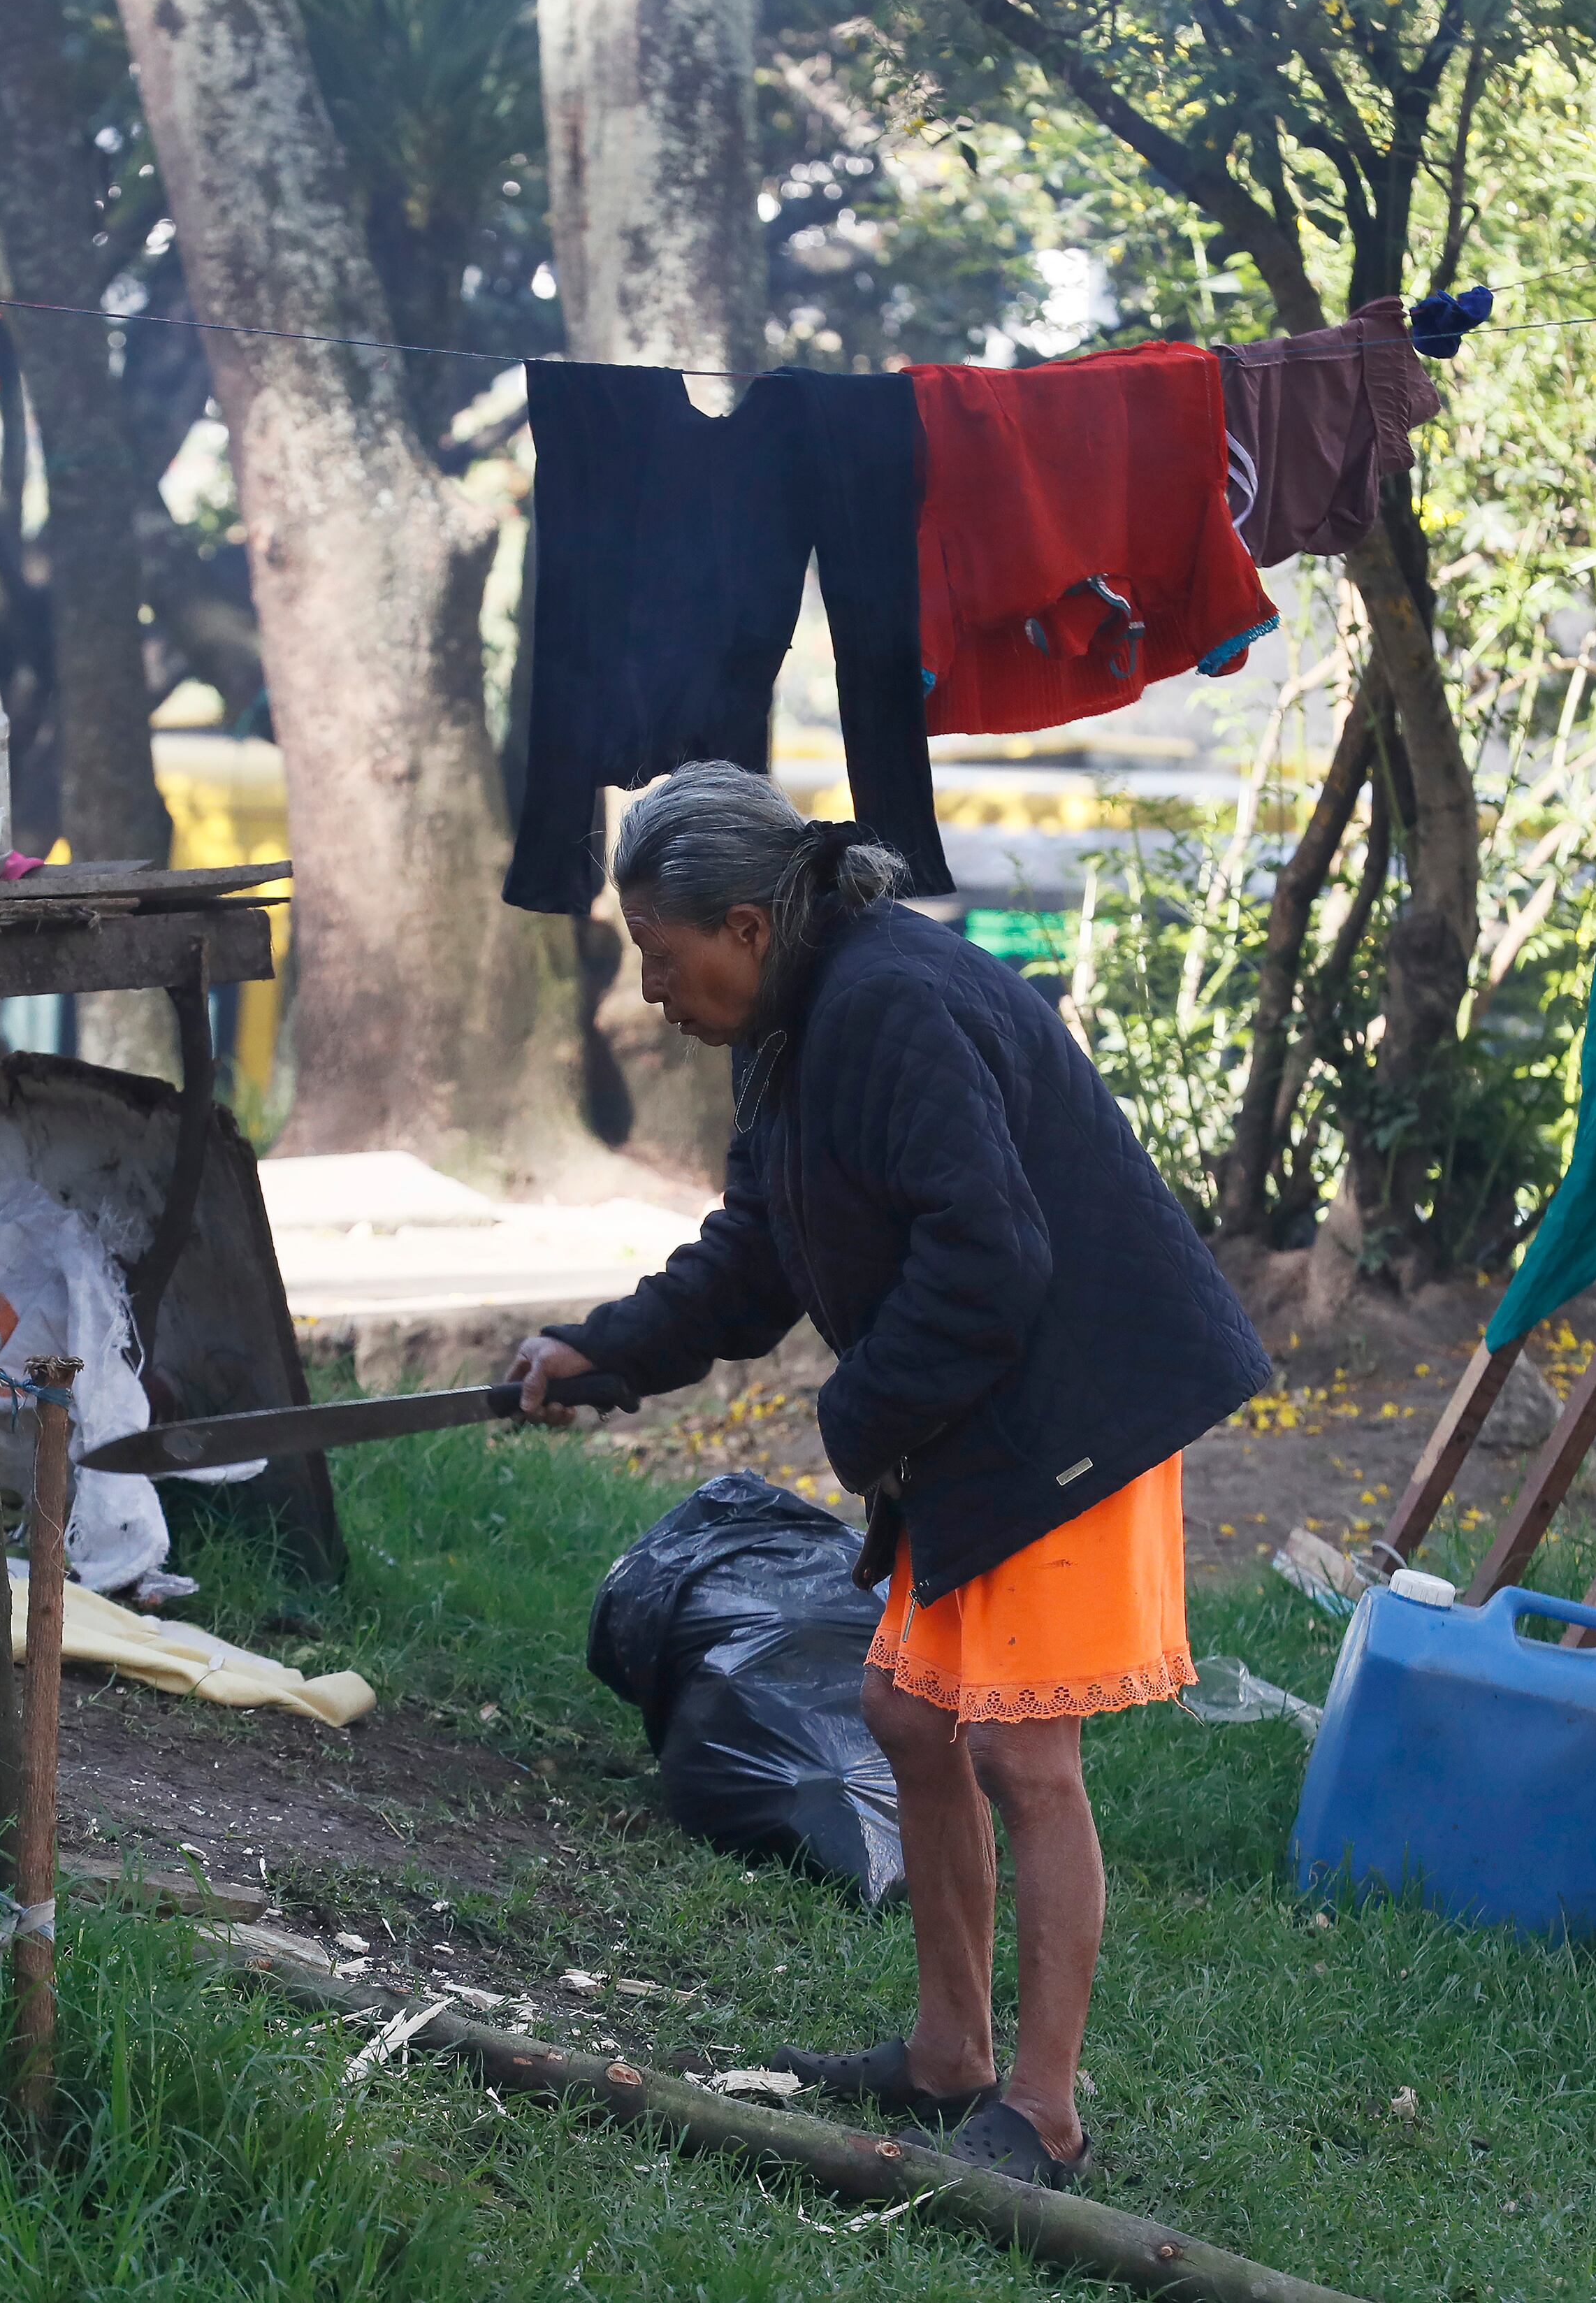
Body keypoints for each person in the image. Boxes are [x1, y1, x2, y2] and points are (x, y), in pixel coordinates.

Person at [515, 762, 1270, 2188]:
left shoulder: (887, 1002)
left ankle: (1041, 2113)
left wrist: (858, 1412)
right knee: (904, 1713)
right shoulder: (793, 1025)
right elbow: (758, 1252)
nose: (655, 997)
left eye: (665, 962)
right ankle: (947, 2053)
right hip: (977, 1399)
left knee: (1020, 1751)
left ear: (746, 923)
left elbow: (990, 1254)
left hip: (1077, 1395)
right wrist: (602, 1350)